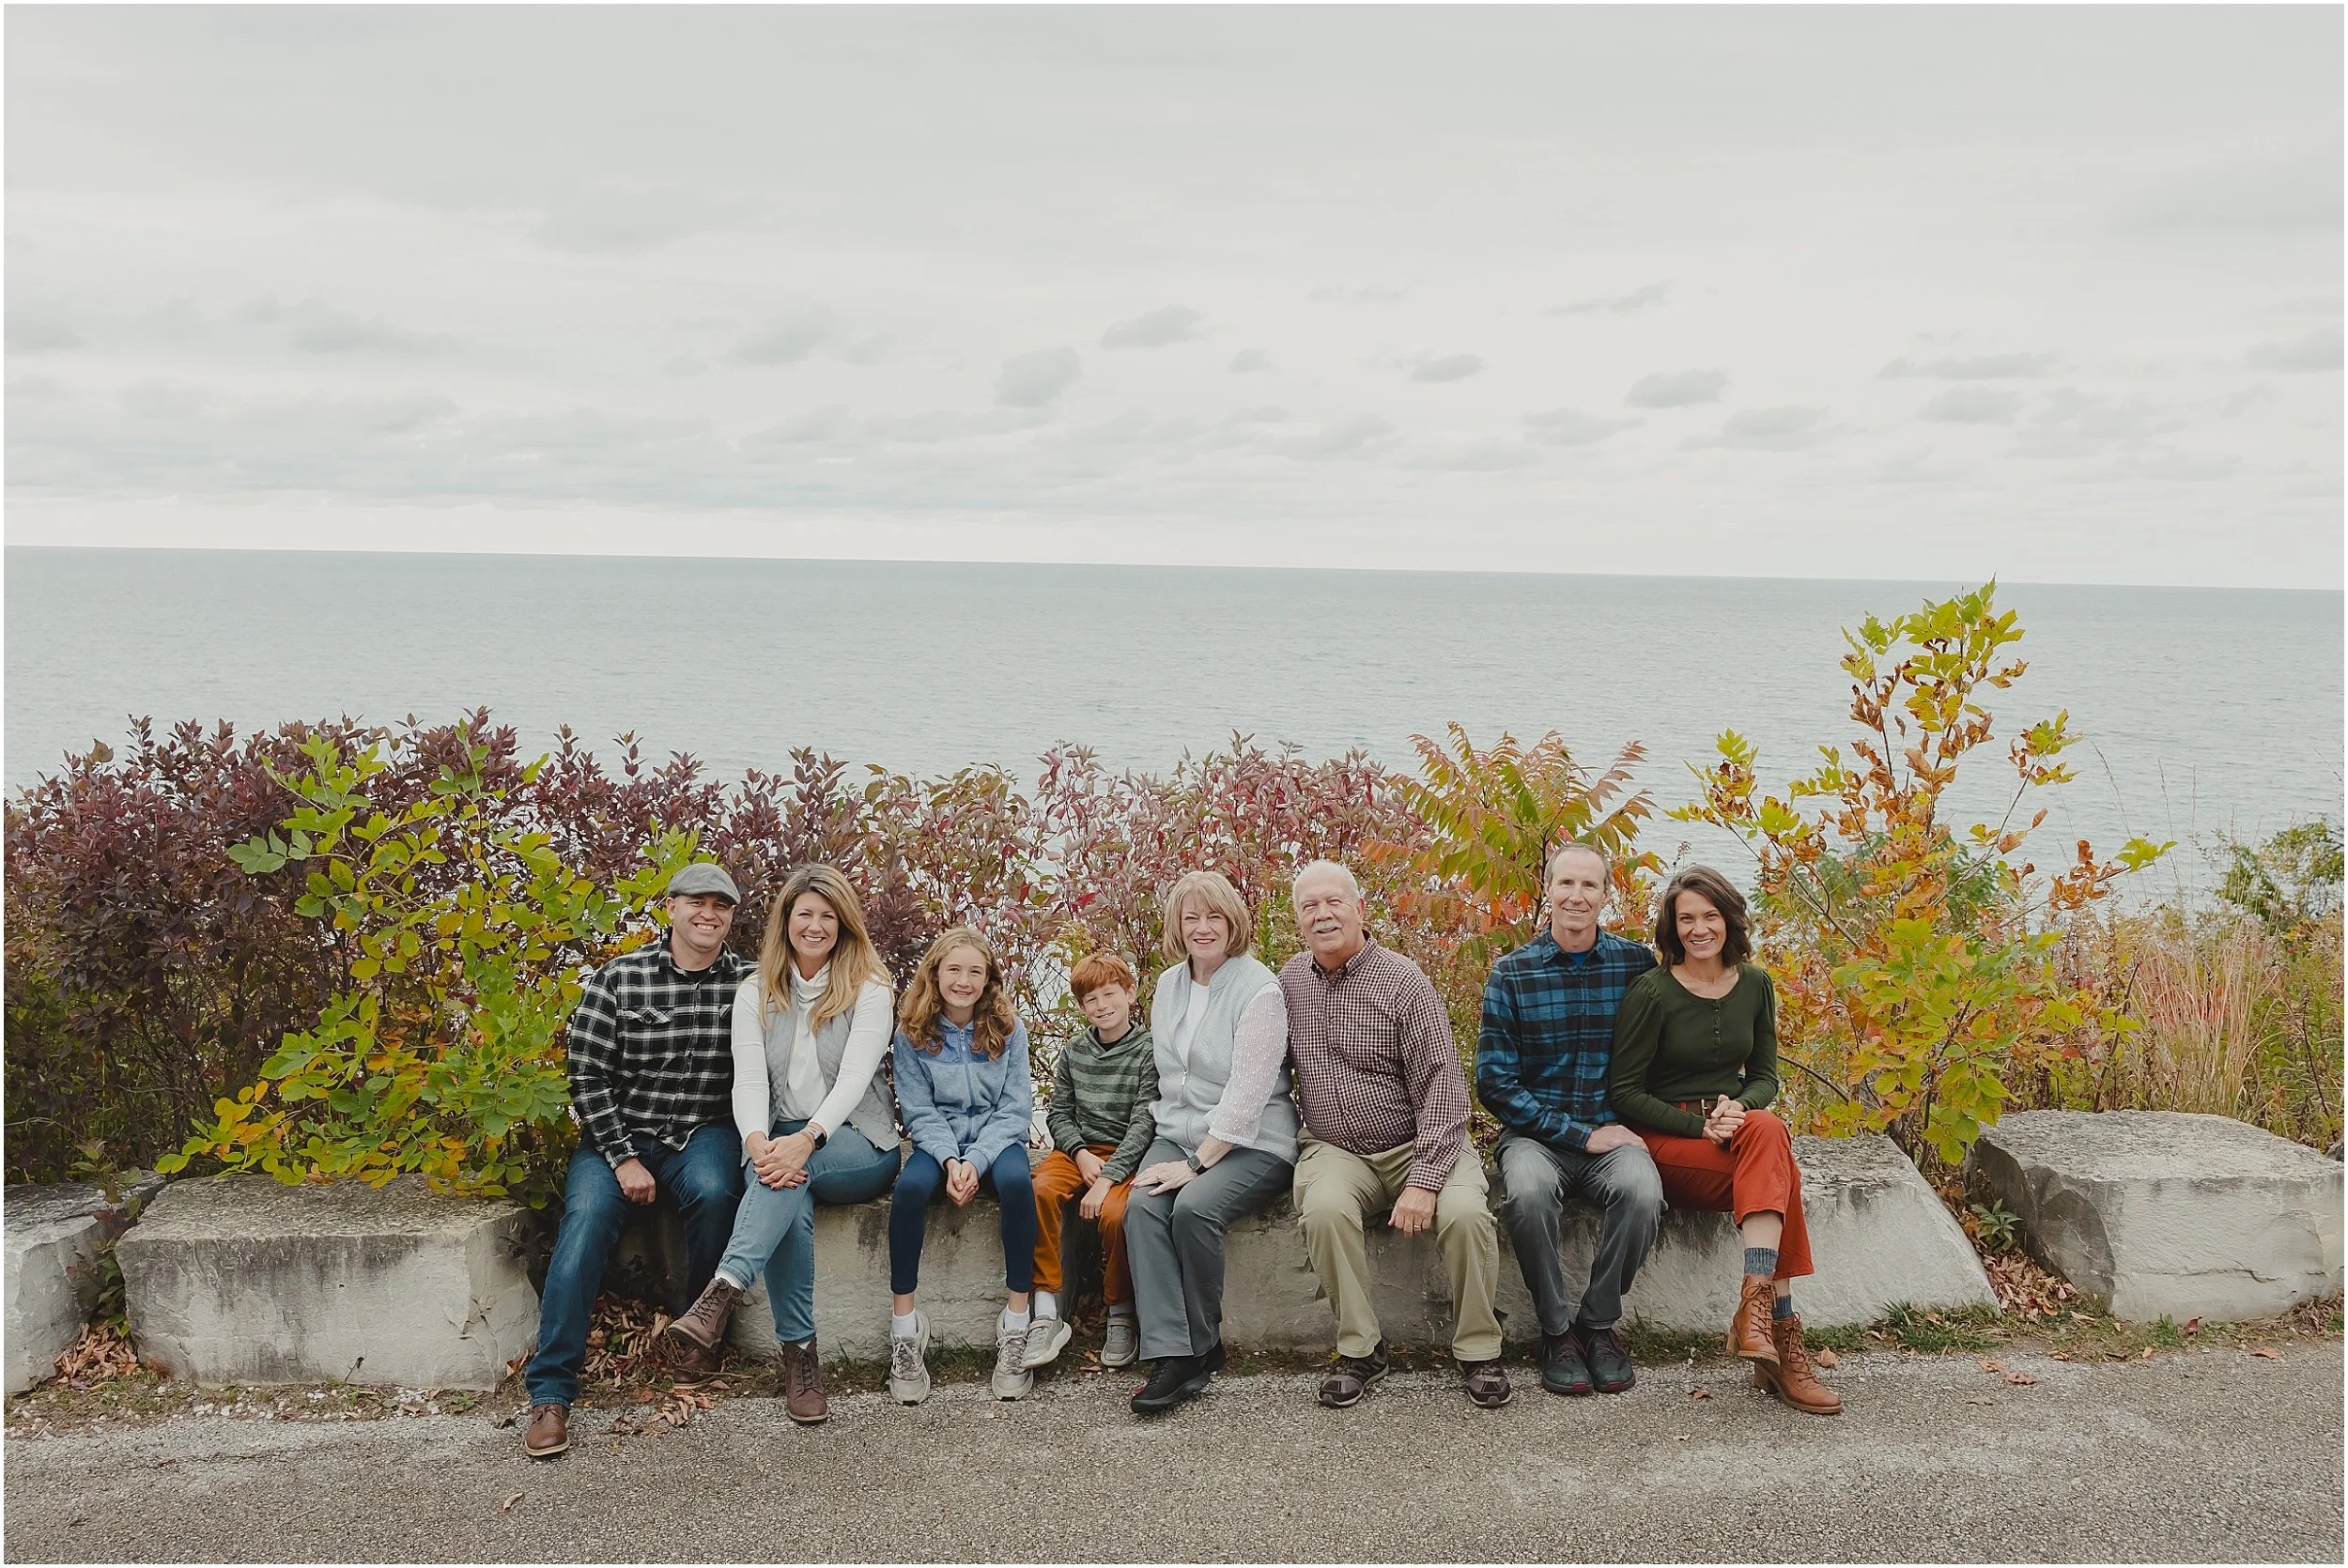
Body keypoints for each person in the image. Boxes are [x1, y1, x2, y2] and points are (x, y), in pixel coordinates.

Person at [523, 862, 752, 1459]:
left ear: (731, 919)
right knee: (584, 1227)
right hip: (616, 1136)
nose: (709, 914)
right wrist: (623, 1157)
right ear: (670, 908)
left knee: (714, 1194)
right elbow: (586, 1075)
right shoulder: (620, 979)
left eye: (721, 906)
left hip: (703, 1131)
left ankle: (698, 1337)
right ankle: (551, 1394)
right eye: (696, 902)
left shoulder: (750, 984)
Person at [659, 865, 899, 1425]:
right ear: (785, 922)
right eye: (804, 914)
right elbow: (748, 1080)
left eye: (827, 916)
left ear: (843, 925)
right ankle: (800, 1360)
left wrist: (807, 1141)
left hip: (854, 1141)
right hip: (772, 1138)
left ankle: (722, 1289)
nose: (815, 926)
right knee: (786, 1193)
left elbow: (854, 1081)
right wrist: (758, 1141)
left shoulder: (870, 989)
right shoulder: (755, 991)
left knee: (795, 1174)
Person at [1610, 864, 1841, 1415]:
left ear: (1728, 919)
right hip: (1666, 1140)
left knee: (1769, 1128)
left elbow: (1765, 1076)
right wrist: (1698, 1125)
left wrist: (1741, 1105)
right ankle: (1779, 1342)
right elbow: (1623, 1092)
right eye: (1685, 918)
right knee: (1781, 1177)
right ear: (1672, 927)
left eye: (1709, 915)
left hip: (1738, 1132)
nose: (1698, 928)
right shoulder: (1651, 992)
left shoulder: (1757, 984)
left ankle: (1755, 1310)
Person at [1283, 860, 1510, 1409]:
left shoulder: (1404, 983)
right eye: (1309, 906)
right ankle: (1361, 1349)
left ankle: (1479, 1350)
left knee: (1466, 1216)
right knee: (1324, 1211)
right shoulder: (1287, 982)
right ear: (1298, 921)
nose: (1322, 914)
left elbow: (1444, 1088)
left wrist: (1426, 1180)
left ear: (1360, 909)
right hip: (1335, 1148)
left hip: (1422, 1140)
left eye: (1333, 901)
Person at [1478, 842, 1666, 1397]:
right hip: (1536, 1136)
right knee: (1529, 1194)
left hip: (1615, 1133)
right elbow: (1495, 1083)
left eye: (1590, 886)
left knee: (1642, 1192)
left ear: (1607, 895)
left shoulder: (1636, 966)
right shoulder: (1512, 974)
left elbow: (1669, 1050)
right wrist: (1580, 1135)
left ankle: (1598, 1324)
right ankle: (1556, 1331)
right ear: (1549, 891)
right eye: (1566, 884)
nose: (1577, 896)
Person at [1123, 869, 1298, 1415]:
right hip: (1179, 1132)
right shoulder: (1170, 985)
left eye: (1214, 916)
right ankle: (1172, 1352)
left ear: (1233, 921)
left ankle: (1202, 1346)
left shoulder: (1259, 990)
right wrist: (1169, 1150)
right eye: (1191, 917)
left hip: (1254, 1142)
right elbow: (1164, 1072)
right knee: (1140, 1207)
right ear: (1178, 925)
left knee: (1194, 1209)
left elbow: (1247, 1097)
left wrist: (1194, 1167)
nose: (1203, 928)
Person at [885, 927, 1040, 1404]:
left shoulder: (1009, 1029)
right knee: (909, 1192)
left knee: (1017, 1185)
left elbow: (1015, 1109)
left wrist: (976, 1159)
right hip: (939, 1143)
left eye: (975, 971)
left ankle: (1016, 1323)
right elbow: (917, 1111)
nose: (964, 980)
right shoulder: (912, 1032)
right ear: (935, 973)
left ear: (989, 978)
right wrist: (951, 1158)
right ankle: (906, 1328)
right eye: (954, 969)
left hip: (996, 1139)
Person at [1023, 952, 1157, 1372]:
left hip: (1125, 1154)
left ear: (1130, 994)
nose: (1101, 1005)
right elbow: (1058, 1113)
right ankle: (1047, 1307)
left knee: (1118, 1214)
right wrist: (1079, 1154)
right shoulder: (1075, 1051)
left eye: (1109, 994)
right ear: (1081, 1007)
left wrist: (1107, 1177)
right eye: (1090, 999)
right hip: (1077, 1151)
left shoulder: (1148, 1050)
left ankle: (1120, 1312)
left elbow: (1144, 1122)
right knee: (1040, 1191)